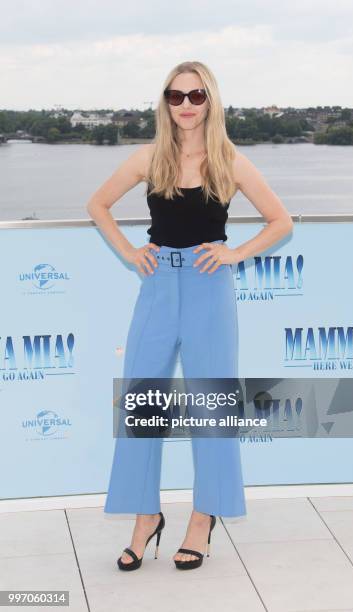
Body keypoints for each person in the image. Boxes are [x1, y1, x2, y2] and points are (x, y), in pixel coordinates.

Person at [86, 60, 293, 571]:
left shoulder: (229, 161)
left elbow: (281, 221)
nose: (185, 105)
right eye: (175, 96)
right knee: (142, 404)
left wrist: (235, 253)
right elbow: (98, 205)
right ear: (165, 103)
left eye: (196, 96)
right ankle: (145, 518)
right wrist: (133, 253)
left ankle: (203, 519)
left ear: (210, 101)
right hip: (157, 286)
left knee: (213, 407)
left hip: (208, 289)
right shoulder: (148, 157)